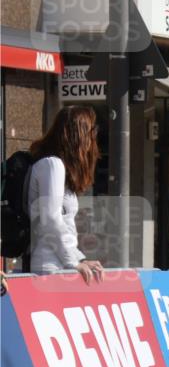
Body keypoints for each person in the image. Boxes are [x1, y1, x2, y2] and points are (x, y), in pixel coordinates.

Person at [26, 105, 104, 282]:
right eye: (92, 129)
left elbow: (64, 224)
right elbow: (51, 218)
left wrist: (80, 259)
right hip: (51, 266)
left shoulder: (57, 167)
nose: (94, 136)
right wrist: (73, 262)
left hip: (59, 263)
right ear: (79, 134)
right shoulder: (52, 165)